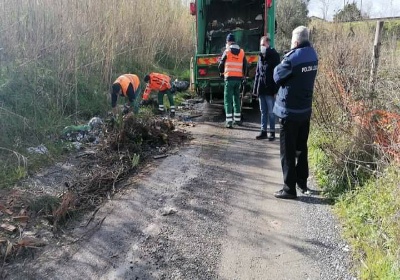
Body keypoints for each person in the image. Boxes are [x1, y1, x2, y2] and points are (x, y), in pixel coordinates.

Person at [272, 26, 318, 199]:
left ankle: (288, 189)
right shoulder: (313, 55)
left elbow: (277, 76)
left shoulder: (292, 59)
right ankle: (301, 181)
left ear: (296, 42)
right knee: (301, 148)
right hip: (305, 110)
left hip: (289, 112)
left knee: (288, 152)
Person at [253, 34, 280, 140]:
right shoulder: (260, 56)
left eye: (263, 44)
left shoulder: (274, 55)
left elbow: (277, 74)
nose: (262, 46)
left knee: (271, 112)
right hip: (261, 89)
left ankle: (272, 132)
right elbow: (257, 73)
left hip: (270, 89)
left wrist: (275, 90)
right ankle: (263, 131)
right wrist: (255, 90)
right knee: (263, 111)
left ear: (268, 44)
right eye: (261, 45)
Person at [218, 33, 247, 128]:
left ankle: (229, 122)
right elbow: (245, 66)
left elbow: (221, 65)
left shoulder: (227, 51)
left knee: (227, 100)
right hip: (238, 79)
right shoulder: (242, 52)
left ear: (228, 42)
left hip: (229, 79)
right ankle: (237, 120)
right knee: (236, 99)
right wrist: (244, 76)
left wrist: (222, 73)